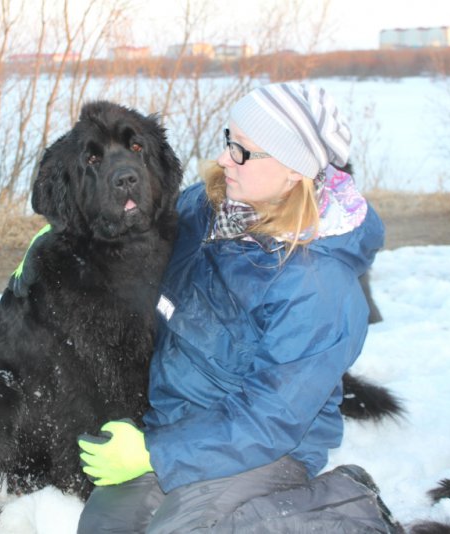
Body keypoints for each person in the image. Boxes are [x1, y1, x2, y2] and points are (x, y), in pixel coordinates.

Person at [76, 82, 401, 533]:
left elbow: (271, 417)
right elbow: (136, 237)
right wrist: (67, 245)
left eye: (242, 151)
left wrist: (154, 454)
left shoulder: (318, 285)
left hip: (267, 444)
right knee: (103, 527)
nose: (224, 158)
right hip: (177, 422)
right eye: (229, 140)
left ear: (293, 170)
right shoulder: (207, 208)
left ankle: (348, 506)